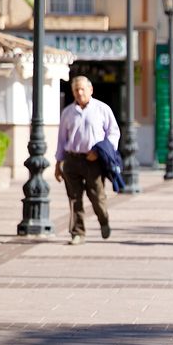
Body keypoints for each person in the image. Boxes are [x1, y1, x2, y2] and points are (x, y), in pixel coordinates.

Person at [54, 76, 120, 246]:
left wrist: (101, 152)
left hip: (93, 161)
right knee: (74, 198)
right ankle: (77, 233)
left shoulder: (102, 109)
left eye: (82, 89)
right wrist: (58, 162)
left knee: (97, 197)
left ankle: (104, 220)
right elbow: (62, 139)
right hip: (72, 160)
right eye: (76, 89)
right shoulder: (67, 112)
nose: (79, 92)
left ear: (90, 90)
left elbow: (114, 132)